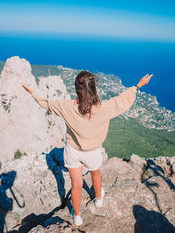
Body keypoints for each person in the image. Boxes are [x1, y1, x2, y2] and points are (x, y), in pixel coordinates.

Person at [22, 72, 153, 226]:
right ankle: (98, 199)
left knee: (76, 185)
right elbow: (122, 101)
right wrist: (138, 86)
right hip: (92, 152)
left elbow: (47, 103)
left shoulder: (66, 107)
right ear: (93, 89)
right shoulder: (104, 108)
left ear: (77, 89)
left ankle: (77, 216)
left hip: (72, 152)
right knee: (95, 174)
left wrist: (32, 93)